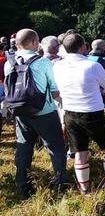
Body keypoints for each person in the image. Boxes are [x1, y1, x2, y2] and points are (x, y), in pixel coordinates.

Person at [5, 29, 69, 199]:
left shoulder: (9, 62)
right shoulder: (43, 62)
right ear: (33, 42)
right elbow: (54, 90)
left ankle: (23, 185)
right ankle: (60, 182)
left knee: (24, 147)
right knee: (55, 146)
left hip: (19, 111)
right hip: (44, 111)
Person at [53, 33, 105, 194]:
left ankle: (85, 187)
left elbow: (57, 89)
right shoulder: (92, 66)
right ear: (82, 47)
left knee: (80, 152)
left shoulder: (57, 66)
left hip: (70, 112)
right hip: (92, 112)